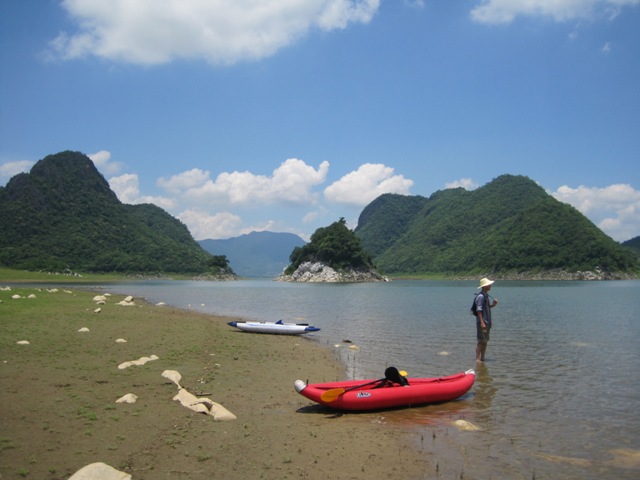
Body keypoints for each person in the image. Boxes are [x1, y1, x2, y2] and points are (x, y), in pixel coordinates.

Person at [475, 277, 498, 362]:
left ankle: (482, 358)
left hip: (487, 322)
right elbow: (479, 310)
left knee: (485, 341)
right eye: (489, 284)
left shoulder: (486, 296)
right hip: (483, 322)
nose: (491, 286)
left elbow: (486, 308)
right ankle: (477, 359)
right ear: (485, 286)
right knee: (481, 341)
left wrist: (493, 305)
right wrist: (482, 322)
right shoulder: (481, 296)